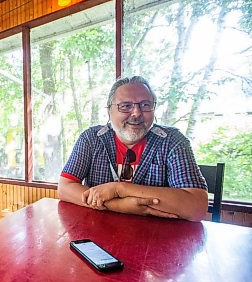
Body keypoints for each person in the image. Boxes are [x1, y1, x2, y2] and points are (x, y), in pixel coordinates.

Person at [58, 76, 208, 222]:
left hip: (158, 237)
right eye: (125, 106)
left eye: (145, 105)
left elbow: (197, 207)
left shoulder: (173, 141)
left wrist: (119, 189)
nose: (136, 113)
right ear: (109, 111)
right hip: (97, 232)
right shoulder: (91, 138)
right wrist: (120, 206)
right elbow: (65, 188)